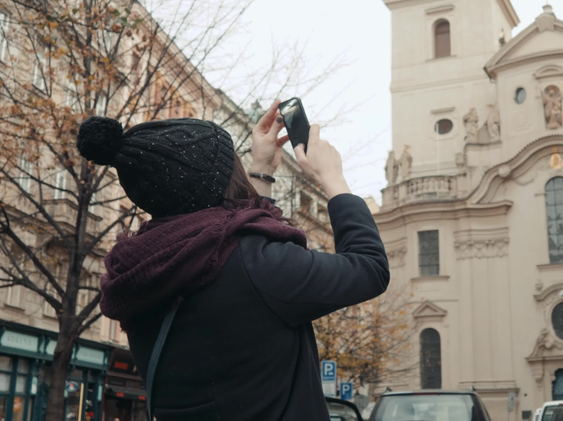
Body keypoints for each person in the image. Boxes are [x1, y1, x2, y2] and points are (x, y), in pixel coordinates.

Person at [78, 100, 389, 421]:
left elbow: (231, 247)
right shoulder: (256, 265)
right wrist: (333, 178)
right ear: (221, 180)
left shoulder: (138, 270)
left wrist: (262, 171)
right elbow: (369, 268)